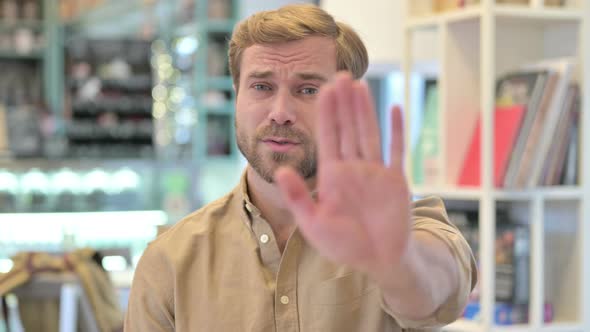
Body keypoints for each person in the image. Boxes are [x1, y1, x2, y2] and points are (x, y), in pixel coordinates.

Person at [124, 4, 477, 331]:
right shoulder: (169, 262)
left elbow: (435, 293)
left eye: (307, 90)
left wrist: (395, 259)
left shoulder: (406, 228)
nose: (280, 111)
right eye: (261, 86)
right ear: (237, 95)